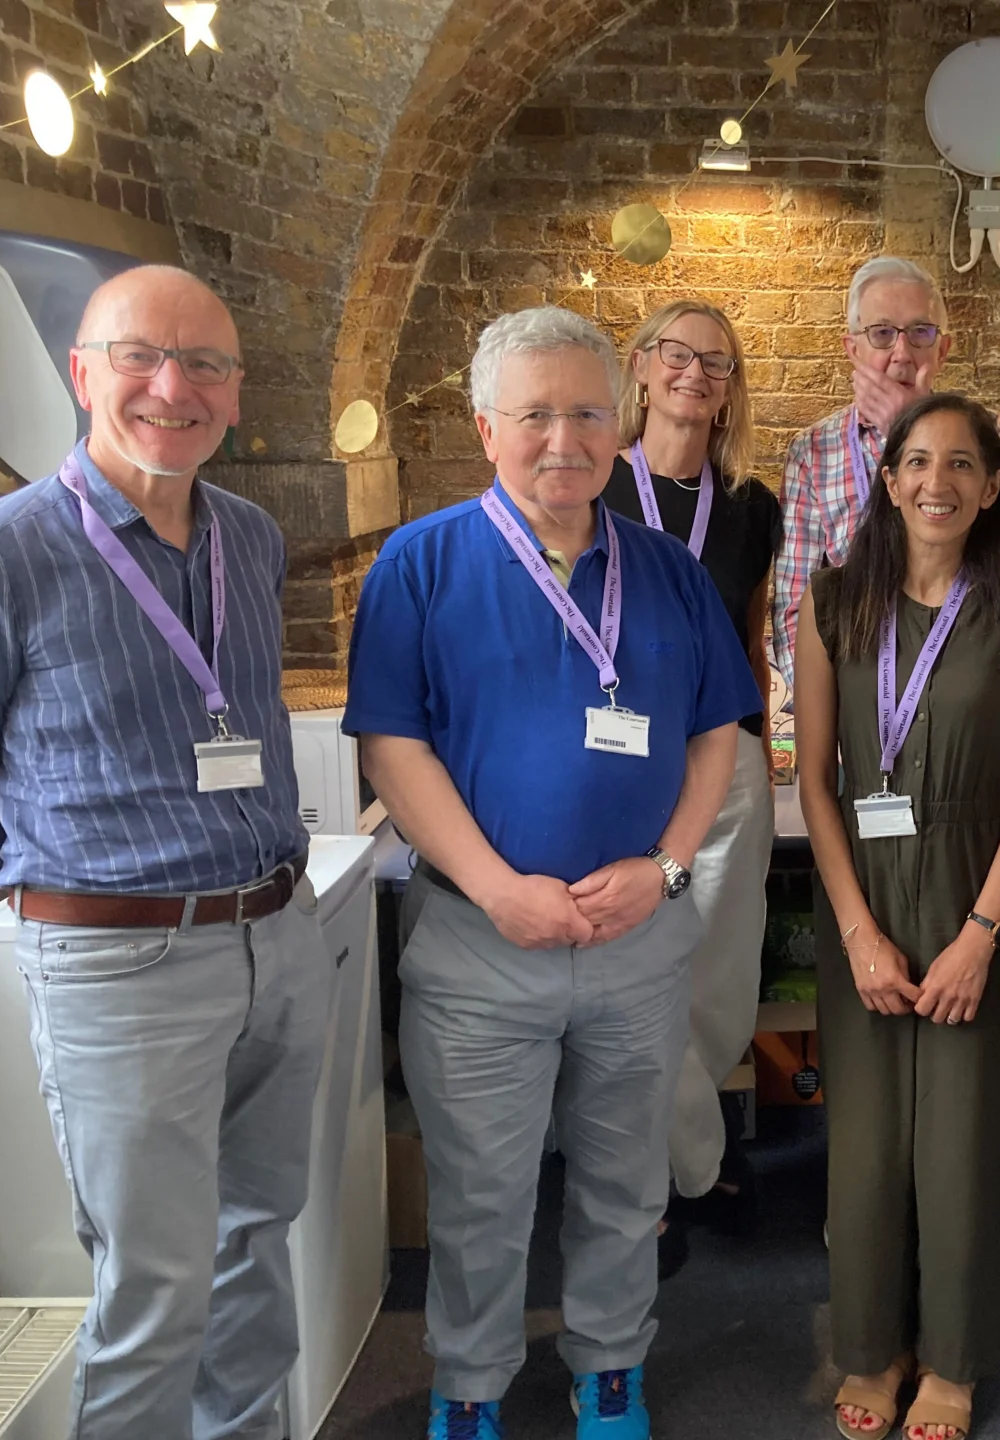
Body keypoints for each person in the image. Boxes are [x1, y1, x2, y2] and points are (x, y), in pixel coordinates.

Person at [343, 306, 758, 1440]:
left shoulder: (666, 572)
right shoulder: (420, 564)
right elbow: (392, 745)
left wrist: (667, 868)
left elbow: (719, 729)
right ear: (488, 427)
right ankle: (468, 1384)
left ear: (618, 424)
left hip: (636, 938)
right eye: (535, 415)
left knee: (626, 1183)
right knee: (481, 1192)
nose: (563, 440)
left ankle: (609, 1366)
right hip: (481, 941)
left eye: (586, 413)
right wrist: (494, 888)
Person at [0, 266, 328, 1439]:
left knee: (257, 1247)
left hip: (276, 933)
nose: (173, 387)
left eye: (206, 365)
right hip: (120, 967)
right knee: (153, 1289)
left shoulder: (251, 536)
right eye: (138, 357)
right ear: (81, 373)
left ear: (233, 393)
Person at [794, 394, 1000, 1440]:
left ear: (994, 487)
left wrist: (980, 937)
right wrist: (858, 932)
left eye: (961, 464)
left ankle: (953, 1361)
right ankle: (872, 1347)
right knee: (864, 1146)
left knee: (965, 1141)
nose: (937, 481)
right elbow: (817, 779)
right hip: (861, 887)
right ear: (890, 479)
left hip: (977, 886)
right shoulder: (832, 604)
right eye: (917, 461)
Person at [606, 299, 782, 1270]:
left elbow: (750, 639)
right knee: (637, 977)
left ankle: (681, 1158)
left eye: (717, 364)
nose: (695, 375)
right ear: (640, 369)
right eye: (677, 356)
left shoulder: (751, 504)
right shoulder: (597, 488)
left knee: (718, 980)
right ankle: (678, 1171)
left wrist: (766, 739)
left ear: (730, 391)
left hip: (731, 760)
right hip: (626, 765)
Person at [771, 256, 953, 692]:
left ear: (942, 349)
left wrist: (908, 432)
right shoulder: (813, 452)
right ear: (853, 349)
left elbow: (991, 570)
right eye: (883, 333)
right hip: (851, 702)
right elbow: (794, 608)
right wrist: (833, 711)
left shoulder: (986, 436)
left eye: (920, 333)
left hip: (958, 696)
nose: (902, 353)